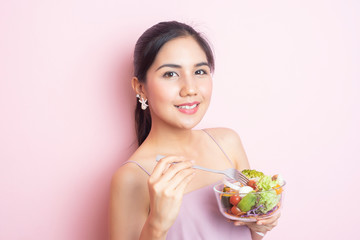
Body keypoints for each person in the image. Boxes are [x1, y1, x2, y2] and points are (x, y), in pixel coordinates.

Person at [109, 21, 280, 240]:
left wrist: (260, 224)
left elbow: (251, 233)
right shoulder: (131, 179)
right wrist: (157, 224)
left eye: (200, 71)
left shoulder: (228, 143)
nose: (190, 89)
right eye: (170, 74)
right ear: (140, 88)